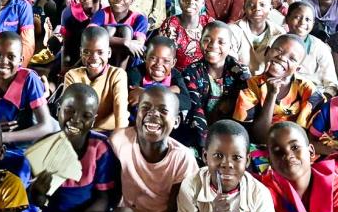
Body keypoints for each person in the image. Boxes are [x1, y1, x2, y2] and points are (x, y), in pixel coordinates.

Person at [31, 83, 130, 212]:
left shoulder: (99, 148)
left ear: (93, 121)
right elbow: (40, 202)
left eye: (86, 115)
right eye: (69, 110)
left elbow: (104, 198)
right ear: (58, 110)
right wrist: (39, 193)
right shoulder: (45, 147)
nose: (76, 119)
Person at [110, 86, 199, 212]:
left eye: (163, 110)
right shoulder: (119, 140)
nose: (153, 114)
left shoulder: (182, 158)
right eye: (145, 107)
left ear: (176, 122)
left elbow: (176, 210)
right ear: (137, 113)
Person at [177, 120, 276, 212]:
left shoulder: (259, 194)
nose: (227, 164)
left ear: (247, 161)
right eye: (218, 156)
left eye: (236, 157)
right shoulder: (191, 187)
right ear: (205, 156)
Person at [233, 34, 325, 144]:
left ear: (297, 68)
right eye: (278, 50)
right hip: (260, 147)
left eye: (292, 58)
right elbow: (259, 137)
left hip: (295, 146)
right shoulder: (249, 85)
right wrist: (271, 94)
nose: (282, 57)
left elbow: (313, 135)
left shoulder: (308, 90)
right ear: (267, 51)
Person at [0, 31, 53, 144]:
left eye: (11, 56)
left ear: (20, 60)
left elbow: (46, 126)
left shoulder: (29, 80)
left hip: (26, 148)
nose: (3, 61)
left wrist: (5, 137)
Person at [182, 21, 251, 154]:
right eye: (207, 40)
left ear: (230, 45)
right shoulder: (191, 72)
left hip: (234, 135)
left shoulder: (241, 73)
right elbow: (195, 110)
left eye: (221, 42)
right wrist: (207, 145)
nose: (213, 45)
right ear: (200, 42)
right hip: (199, 136)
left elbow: (246, 112)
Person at [261, 122, 338, 212]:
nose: (288, 155)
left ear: (311, 151)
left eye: (295, 147)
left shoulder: (333, 184)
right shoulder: (263, 194)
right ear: (271, 161)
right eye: (277, 151)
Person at [63, 26, 129, 131]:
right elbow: (69, 112)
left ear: (109, 53)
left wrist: (120, 136)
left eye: (100, 52)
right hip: (80, 132)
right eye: (87, 52)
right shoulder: (72, 76)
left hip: (110, 132)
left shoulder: (117, 75)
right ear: (80, 52)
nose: (94, 58)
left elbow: (120, 109)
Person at [90, 0, 148, 70]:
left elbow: (138, 45)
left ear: (132, 0)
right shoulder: (102, 14)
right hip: (104, 59)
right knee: (109, 30)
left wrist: (110, 41)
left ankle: (120, 75)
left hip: (129, 63)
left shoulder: (139, 18)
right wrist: (125, 42)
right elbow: (90, 35)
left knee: (126, 30)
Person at [127, 35, 191, 113]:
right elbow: (134, 97)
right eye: (153, 58)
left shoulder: (175, 75)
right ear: (145, 57)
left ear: (173, 63)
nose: (158, 64)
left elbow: (186, 102)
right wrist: (169, 91)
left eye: (166, 61)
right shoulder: (135, 72)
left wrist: (146, 94)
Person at [285, 1, 337, 97]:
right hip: (282, 94)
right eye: (297, 17)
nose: (302, 22)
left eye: (308, 19)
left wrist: (320, 101)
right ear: (287, 19)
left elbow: (331, 84)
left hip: (313, 96)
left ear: (313, 24)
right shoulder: (276, 42)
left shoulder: (321, 48)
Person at [229, 0, 285, 75]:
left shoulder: (279, 34)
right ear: (244, 8)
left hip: (266, 80)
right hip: (240, 80)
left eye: (262, 5)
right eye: (251, 5)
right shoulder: (233, 31)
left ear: (270, 8)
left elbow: (280, 65)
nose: (257, 9)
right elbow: (230, 63)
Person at [160, 0, 213, 71]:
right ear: (179, 0)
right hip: (176, 75)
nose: (190, 2)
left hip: (204, 74)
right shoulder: (170, 24)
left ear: (203, 3)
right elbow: (164, 55)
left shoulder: (208, 23)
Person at [61, 0, 102, 72]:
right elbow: (66, 45)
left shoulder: (106, 13)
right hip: (74, 54)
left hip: (98, 60)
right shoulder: (69, 13)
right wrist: (65, 67)